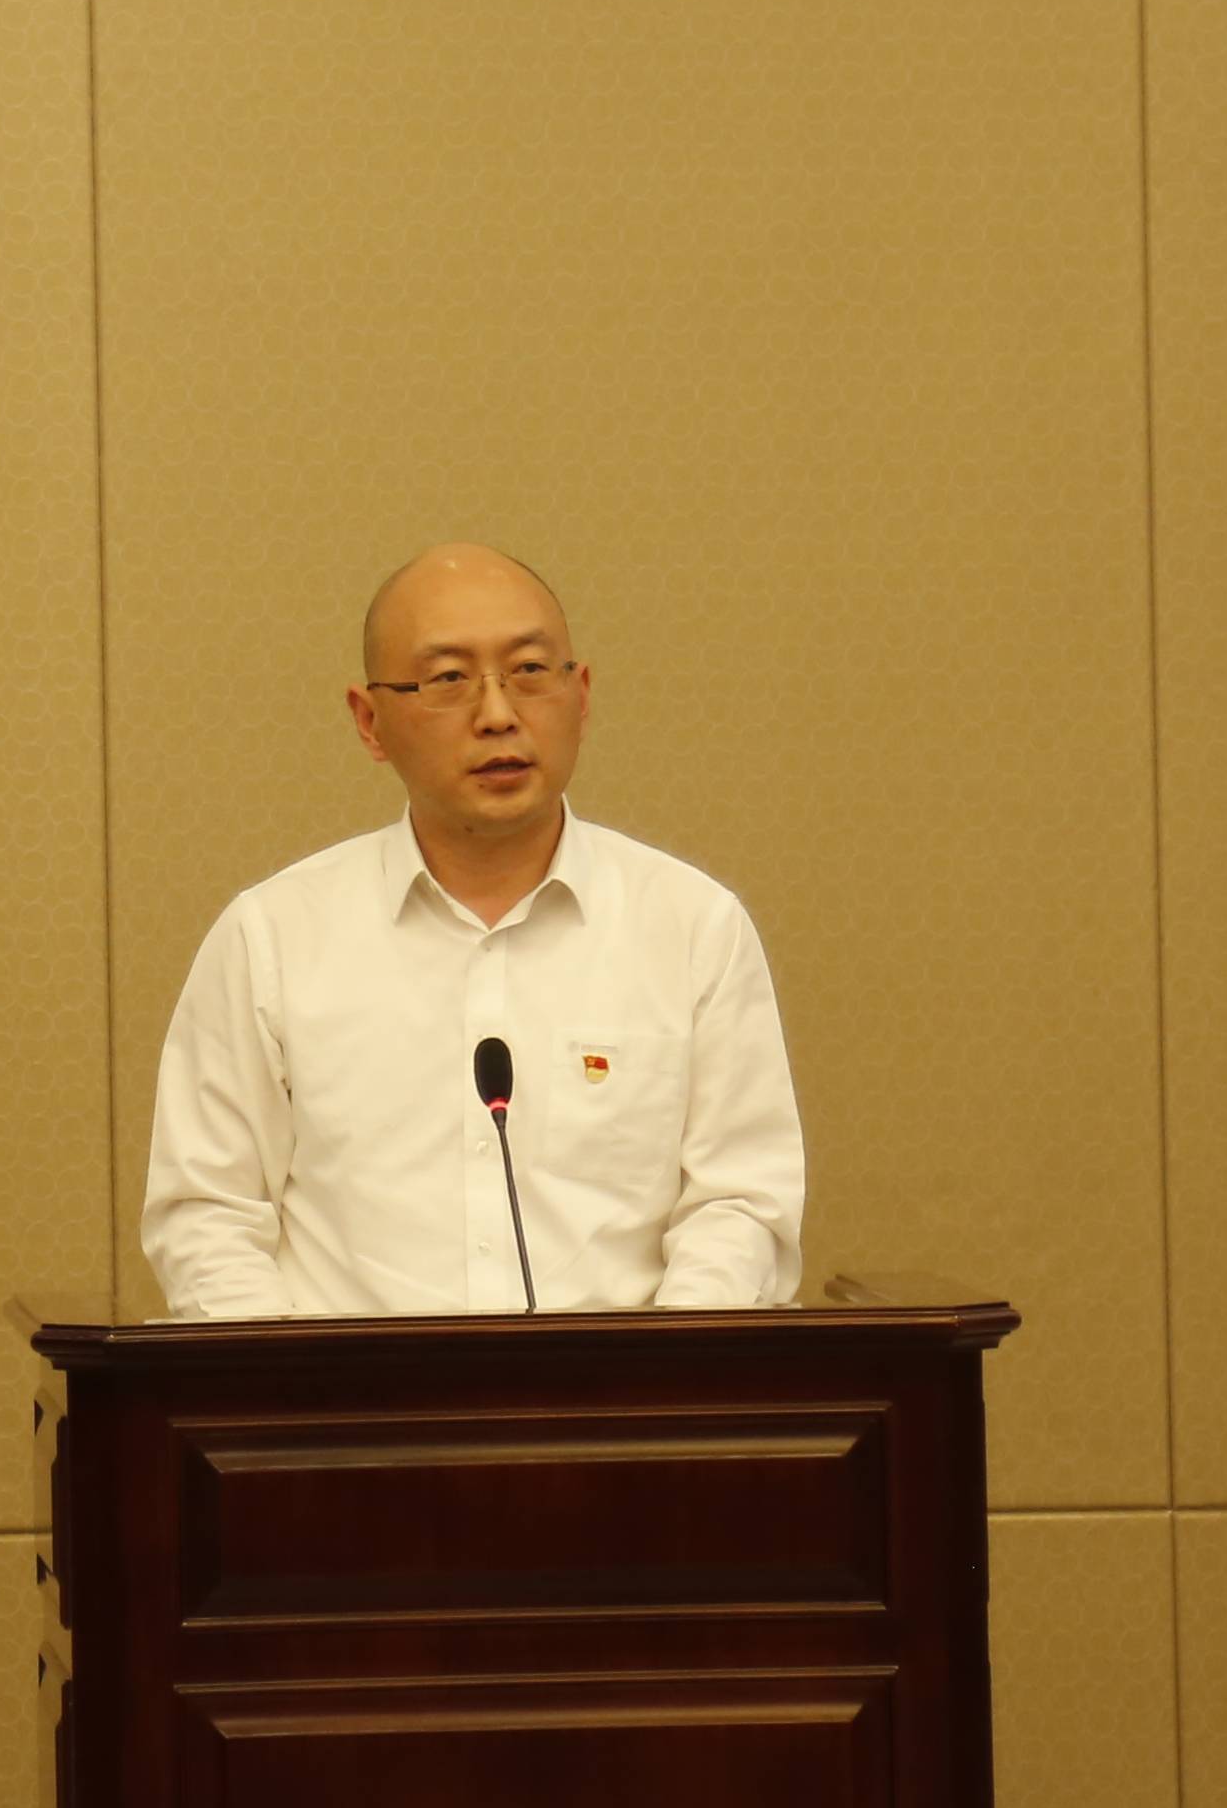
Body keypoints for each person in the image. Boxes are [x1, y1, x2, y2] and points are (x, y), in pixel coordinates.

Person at [143, 544, 803, 1317]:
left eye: (529, 671)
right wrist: (287, 1385)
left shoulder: (694, 928)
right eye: (449, 679)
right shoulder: (272, 938)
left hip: (626, 1392)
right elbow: (209, 1215)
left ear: (581, 696)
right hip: (341, 1395)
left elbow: (739, 1204)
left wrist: (661, 1374)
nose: (497, 715)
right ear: (370, 722)